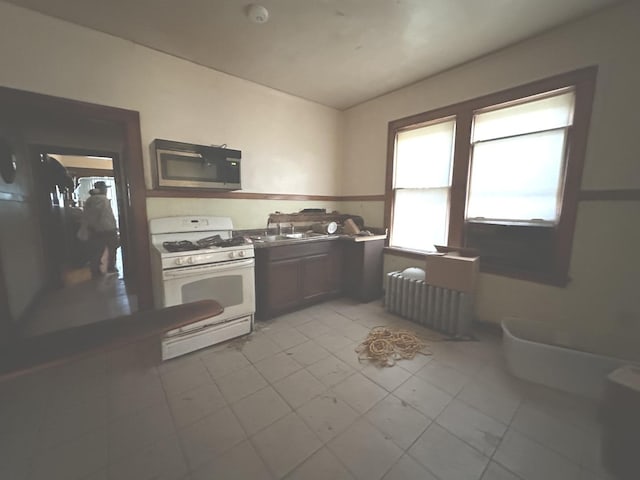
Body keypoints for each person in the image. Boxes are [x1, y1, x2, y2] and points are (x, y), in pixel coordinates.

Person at [81, 181, 119, 277]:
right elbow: (101, 216)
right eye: (105, 188)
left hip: (96, 230)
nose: (106, 190)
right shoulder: (101, 199)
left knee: (97, 251)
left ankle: (95, 270)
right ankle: (110, 267)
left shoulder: (90, 200)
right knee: (111, 249)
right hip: (106, 229)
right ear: (102, 189)